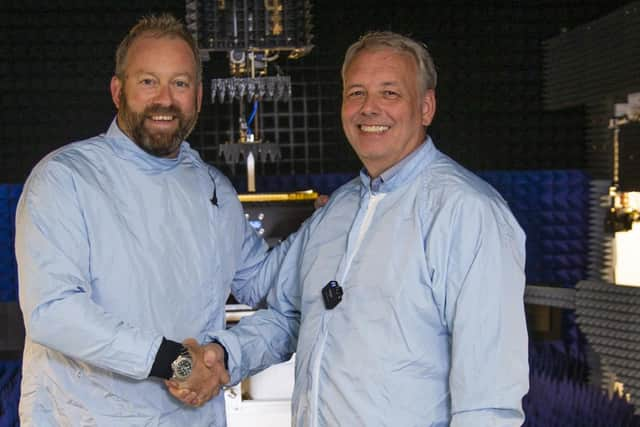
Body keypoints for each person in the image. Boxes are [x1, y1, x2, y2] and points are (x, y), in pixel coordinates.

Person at [201, 31, 530, 426]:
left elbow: (488, 403)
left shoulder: (468, 214)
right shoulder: (336, 211)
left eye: (389, 93)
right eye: (356, 93)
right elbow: (285, 310)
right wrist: (225, 356)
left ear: (426, 107)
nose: (369, 109)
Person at [15, 13, 284, 426]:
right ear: (118, 91)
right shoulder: (66, 178)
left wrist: (226, 355)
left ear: (197, 95)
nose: (165, 99)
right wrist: (176, 363)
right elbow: (54, 312)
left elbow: (269, 286)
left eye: (179, 83)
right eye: (148, 82)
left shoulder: (213, 191)